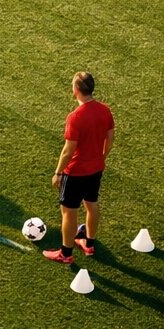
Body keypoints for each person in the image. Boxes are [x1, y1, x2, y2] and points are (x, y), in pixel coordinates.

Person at [44, 72, 115, 264]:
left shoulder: (75, 117)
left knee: (69, 212)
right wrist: (100, 158)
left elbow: (68, 150)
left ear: (75, 91)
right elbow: (110, 140)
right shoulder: (105, 110)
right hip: (96, 168)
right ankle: (89, 244)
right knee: (92, 204)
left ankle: (66, 254)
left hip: (75, 172)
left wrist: (58, 172)